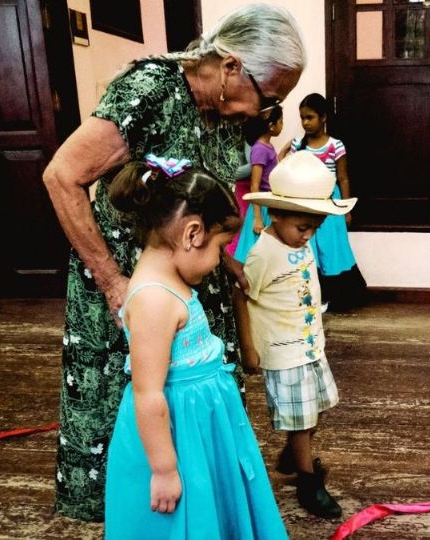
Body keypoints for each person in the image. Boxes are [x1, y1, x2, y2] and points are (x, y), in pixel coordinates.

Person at [42, 4, 306, 521]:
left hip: (191, 284)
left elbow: (199, 205)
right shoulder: (154, 90)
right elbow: (62, 176)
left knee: (195, 428)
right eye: (269, 96)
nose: (264, 111)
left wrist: (223, 261)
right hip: (132, 293)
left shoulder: (221, 111)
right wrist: (113, 282)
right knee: (140, 421)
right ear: (231, 67)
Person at [103, 157, 287, 539]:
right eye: (220, 247)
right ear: (192, 233)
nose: (219, 260)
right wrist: (165, 468)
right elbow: (147, 393)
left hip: (201, 424)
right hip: (178, 432)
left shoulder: (170, 282)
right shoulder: (154, 298)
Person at [242, 152, 354, 518]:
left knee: (316, 409)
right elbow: (241, 295)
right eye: (302, 228)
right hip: (283, 351)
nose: (307, 236)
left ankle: (294, 452)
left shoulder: (298, 243)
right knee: (303, 421)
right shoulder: (264, 254)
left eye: (314, 228)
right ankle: (308, 483)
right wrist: (248, 348)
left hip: (309, 346)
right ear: (276, 215)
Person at [285, 93, 366, 311]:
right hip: (306, 204)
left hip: (330, 205)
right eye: (302, 118)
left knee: (331, 250)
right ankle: (312, 297)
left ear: (323, 118)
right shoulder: (298, 146)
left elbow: (343, 177)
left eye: (310, 117)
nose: (305, 122)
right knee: (308, 249)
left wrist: (345, 209)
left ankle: (335, 296)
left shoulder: (335, 146)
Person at [233, 105, 283, 262]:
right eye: (281, 121)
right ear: (271, 126)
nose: (282, 125)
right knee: (255, 252)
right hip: (261, 207)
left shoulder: (267, 147)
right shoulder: (260, 148)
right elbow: (255, 185)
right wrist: (257, 217)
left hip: (268, 203)